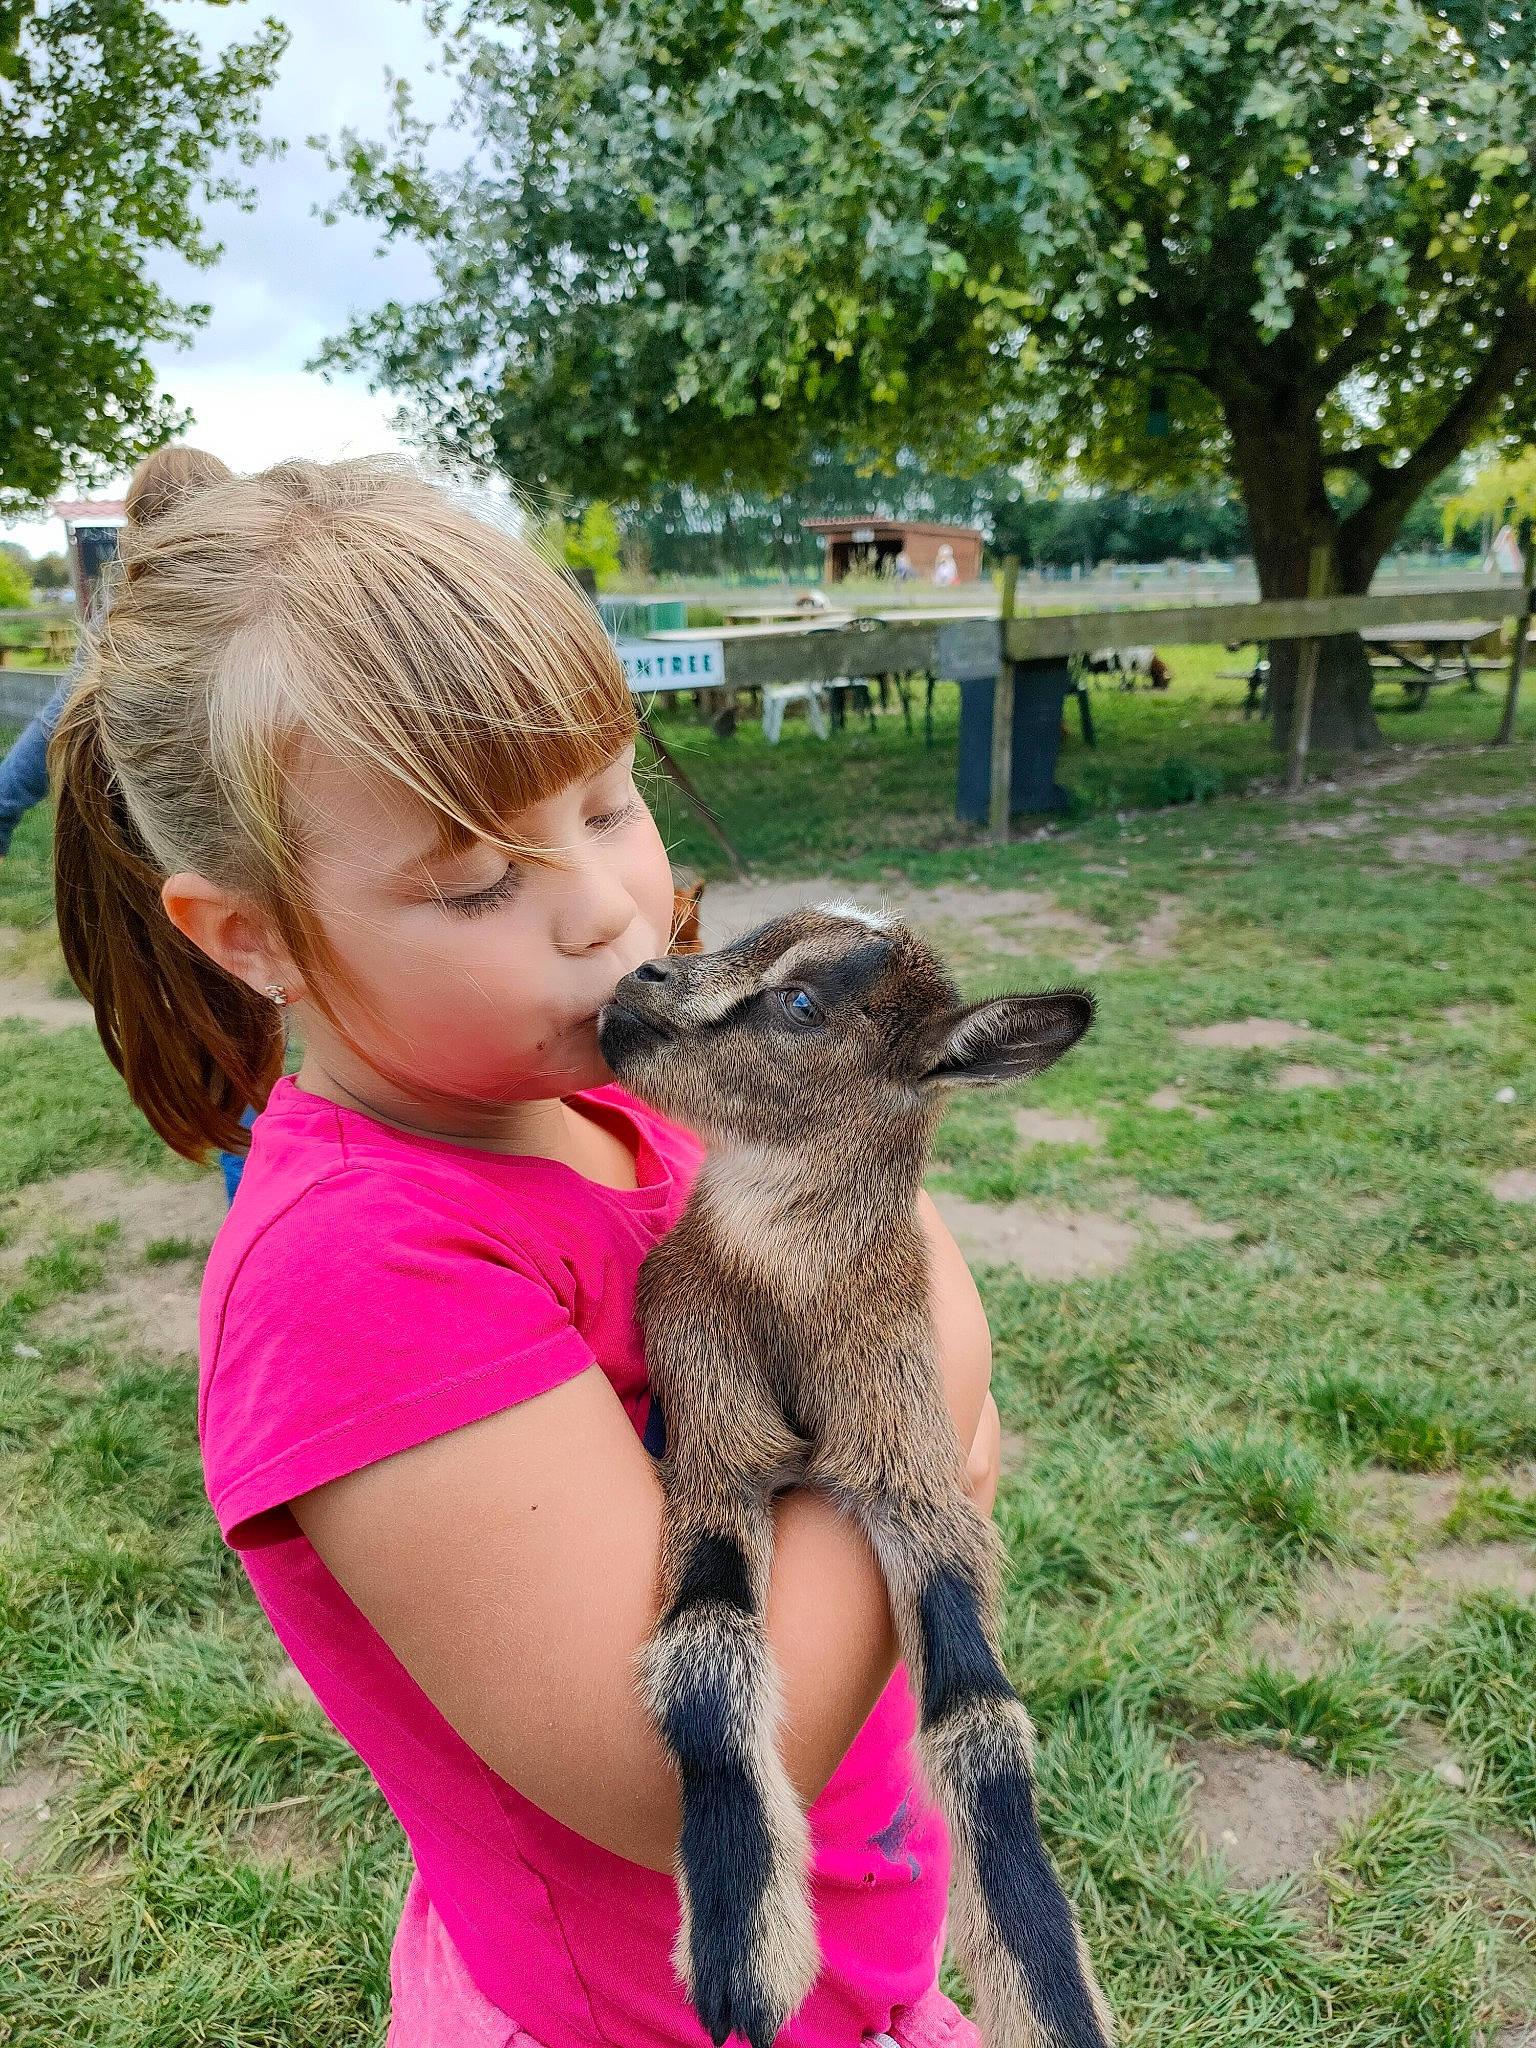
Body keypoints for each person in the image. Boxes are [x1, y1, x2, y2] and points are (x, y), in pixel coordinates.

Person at [49, 457, 1002, 2048]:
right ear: (255, 934)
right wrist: (938, 1398)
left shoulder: (647, 1115)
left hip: (848, 1967)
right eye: (481, 877)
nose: (607, 918)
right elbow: (679, 1772)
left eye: (611, 803)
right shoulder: (358, 1273)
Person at [0, 447, 232, 864]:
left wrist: (3, 806)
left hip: (156, 834)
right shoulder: (268, 601)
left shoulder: (125, 615)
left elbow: (62, 718)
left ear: (138, 521)